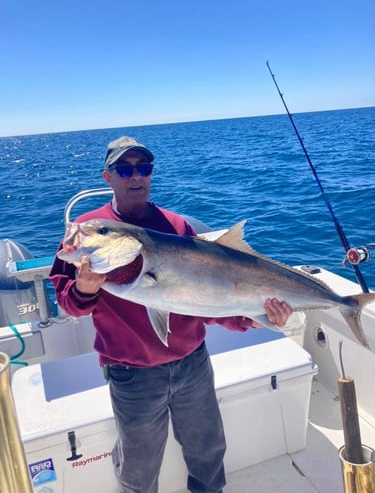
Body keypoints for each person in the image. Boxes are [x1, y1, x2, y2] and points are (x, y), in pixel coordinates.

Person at [49, 136, 293, 493]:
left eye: (143, 168)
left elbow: (205, 300)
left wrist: (254, 318)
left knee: (208, 452)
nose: (136, 177)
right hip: (132, 374)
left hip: (192, 364)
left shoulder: (177, 227)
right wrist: (85, 288)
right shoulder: (88, 230)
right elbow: (68, 304)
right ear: (108, 177)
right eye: (125, 169)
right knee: (138, 467)